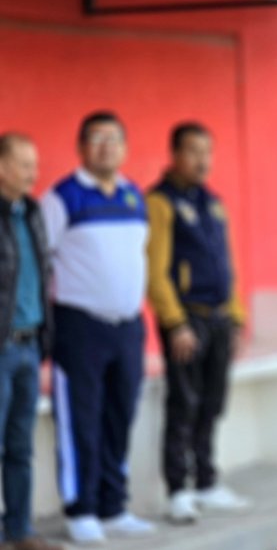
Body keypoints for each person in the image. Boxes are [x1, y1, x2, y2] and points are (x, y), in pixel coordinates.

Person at [41, 112, 155, 544]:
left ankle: (112, 506)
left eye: (114, 139)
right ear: (81, 148)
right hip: (79, 327)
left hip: (127, 327)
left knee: (120, 416)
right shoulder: (62, 198)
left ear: (124, 148)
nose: (106, 147)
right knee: (80, 420)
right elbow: (42, 258)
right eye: (96, 139)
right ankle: (81, 508)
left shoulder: (132, 196)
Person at [146, 122, 249, 523]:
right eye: (193, 151)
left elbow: (227, 264)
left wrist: (236, 316)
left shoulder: (213, 203)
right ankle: (178, 489)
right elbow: (155, 271)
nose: (202, 159)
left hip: (219, 319)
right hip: (186, 321)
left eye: (207, 151)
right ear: (174, 154)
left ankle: (207, 482)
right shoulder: (161, 202)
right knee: (182, 404)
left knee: (211, 403)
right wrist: (174, 323)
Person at [0, 134, 60, 550]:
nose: (33, 173)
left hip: (27, 346)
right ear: (2, 167)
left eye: (34, 164)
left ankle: (19, 531)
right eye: (24, 165)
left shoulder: (34, 211)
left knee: (19, 446)